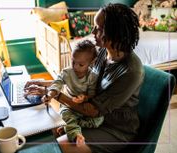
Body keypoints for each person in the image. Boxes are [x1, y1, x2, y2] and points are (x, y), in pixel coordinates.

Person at [24, 3, 144, 153]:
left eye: (99, 29)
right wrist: (46, 85)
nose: (92, 31)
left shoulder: (131, 71)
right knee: (49, 129)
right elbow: (79, 80)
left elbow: (92, 110)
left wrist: (57, 95)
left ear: (114, 34)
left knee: (58, 146)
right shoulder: (102, 52)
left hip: (115, 129)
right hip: (92, 119)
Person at [41, 40, 104, 147]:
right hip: (69, 106)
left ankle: (70, 125)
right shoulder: (67, 72)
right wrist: (50, 95)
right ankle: (76, 135)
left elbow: (92, 94)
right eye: (73, 61)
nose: (75, 67)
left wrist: (84, 98)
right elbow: (57, 83)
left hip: (83, 107)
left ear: (92, 62)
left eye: (81, 64)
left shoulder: (92, 76)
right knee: (65, 114)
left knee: (99, 120)